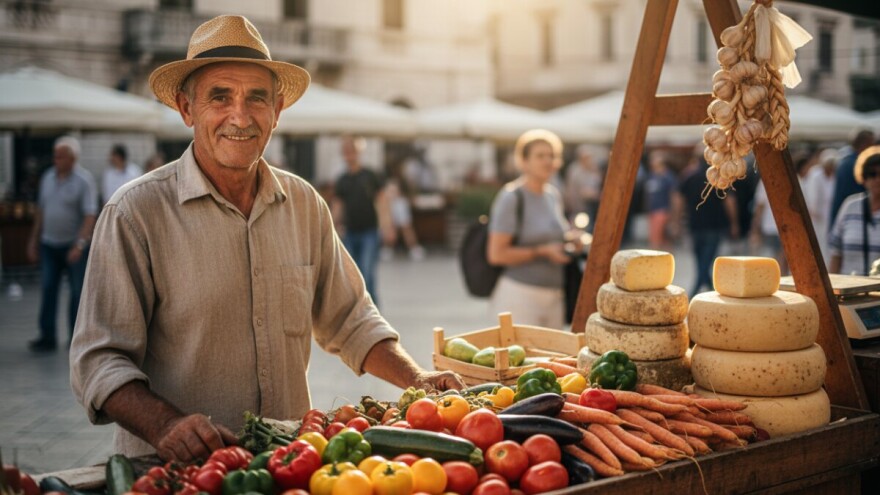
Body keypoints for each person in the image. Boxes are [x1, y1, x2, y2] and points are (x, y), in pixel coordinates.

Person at [69, 15, 463, 461]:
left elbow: (351, 319)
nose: (240, 115)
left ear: (276, 112)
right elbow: (98, 361)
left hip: (289, 466)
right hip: (178, 473)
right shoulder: (135, 213)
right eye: (220, 96)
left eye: (256, 98)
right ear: (186, 108)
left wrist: (417, 380)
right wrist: (167, 425)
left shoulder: (304, 205)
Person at [487, 129, 583, 329]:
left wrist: (571, 242)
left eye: (552, 156)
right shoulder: (511, 197)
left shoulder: (552, 195)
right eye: (540, 156)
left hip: (555, 295)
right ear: (523, 161)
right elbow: (496, 254)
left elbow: (552, 235)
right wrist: (542, 252)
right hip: (520, 296)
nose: (548, 161)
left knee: (552, 359)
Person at [27, 136, 98, 352]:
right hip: (49, 244)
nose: (55, 159)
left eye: (60, 155)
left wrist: (79, 244)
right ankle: (47, 336)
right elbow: (40, 211)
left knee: (77, 293)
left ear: (73, 158)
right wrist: (33, 240)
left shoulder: (84, 180)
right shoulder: (48, 177)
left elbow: (89, 215)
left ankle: (75, 339)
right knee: (48, 289)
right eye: (55, 155)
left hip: (73, 246)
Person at [331, 136, 395, 304]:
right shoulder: (342, 180)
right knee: (352, 277)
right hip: (350, 232)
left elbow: (382, 202)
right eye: (346, 152)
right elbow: (337, 207)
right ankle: (359, 315)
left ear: (358, 153)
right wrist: (330, 228)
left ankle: (375, 316)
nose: (349, 155)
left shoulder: (370, 175)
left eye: (352, 151)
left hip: (369, 232)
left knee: (368, 274)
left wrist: (387, 226)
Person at [671, 152, 738, 297]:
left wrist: (676, 222)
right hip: (715, 225)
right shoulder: (719, 178)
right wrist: (734, 223)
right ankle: (702, 294)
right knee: (705, 262)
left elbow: (677, 200)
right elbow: (729, 202)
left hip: (695, 225)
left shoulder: (688, 176)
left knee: (702, 261)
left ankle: (700, 293)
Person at [829, 146, 880, 275]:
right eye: (872, 174)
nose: (877, 179)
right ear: (863, 178)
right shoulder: (850, 206)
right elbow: (836, 253)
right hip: (850, 290)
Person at [829, 130, 875, 228]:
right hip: (852, 219)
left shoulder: (845, 162)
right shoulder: (857, 165)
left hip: (843, 217)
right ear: (865, 144)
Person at [803, 148, 837, 260]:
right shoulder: (815, 174)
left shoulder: (834, 176)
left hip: (829, 214)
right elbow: (812, 196)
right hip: (816, 215)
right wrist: (814, 213)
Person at [563, 144, 602, 233]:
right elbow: (572, 189)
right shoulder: (574, 170)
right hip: (577, 206)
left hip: (590, 206)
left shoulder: (592, 169)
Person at [644, 151, 677, 250]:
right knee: (656, 238)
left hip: (663, 211)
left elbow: (674, 196)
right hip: (652, 211)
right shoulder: (651, 175)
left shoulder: (668, 177)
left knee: (660, 239)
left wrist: (673, 215)